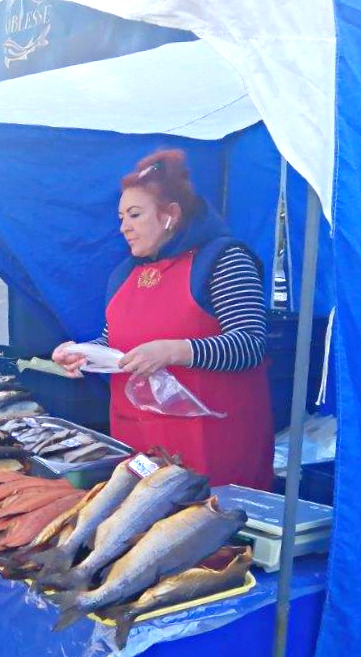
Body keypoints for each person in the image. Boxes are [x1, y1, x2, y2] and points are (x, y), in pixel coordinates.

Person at [52, 149, 272, 490]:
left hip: (213, 445)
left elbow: (249, 343)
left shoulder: (223, 260)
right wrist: (83, 352)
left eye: (135, 215)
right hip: (140, 440)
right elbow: (115, 342)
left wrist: (175, 351)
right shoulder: (124, 274)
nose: (124, 227)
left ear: (171, 214)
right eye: (121, 217)